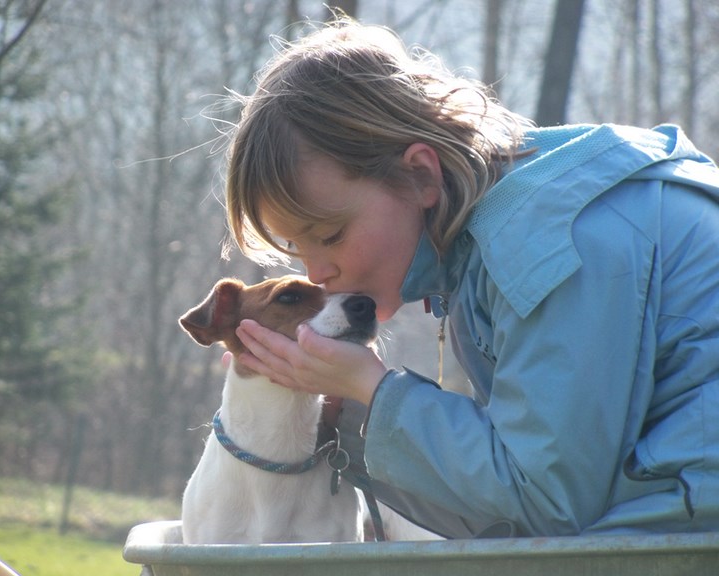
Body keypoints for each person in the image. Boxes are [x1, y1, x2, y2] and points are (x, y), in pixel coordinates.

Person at [218, 17, 719, 537]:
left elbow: (549, 504)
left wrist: (372, 390)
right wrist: (342, 416)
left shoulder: (548, 247)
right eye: (297, 250)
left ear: (420, 177)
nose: (318, 274)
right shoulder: (501, 233)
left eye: (330, 234)